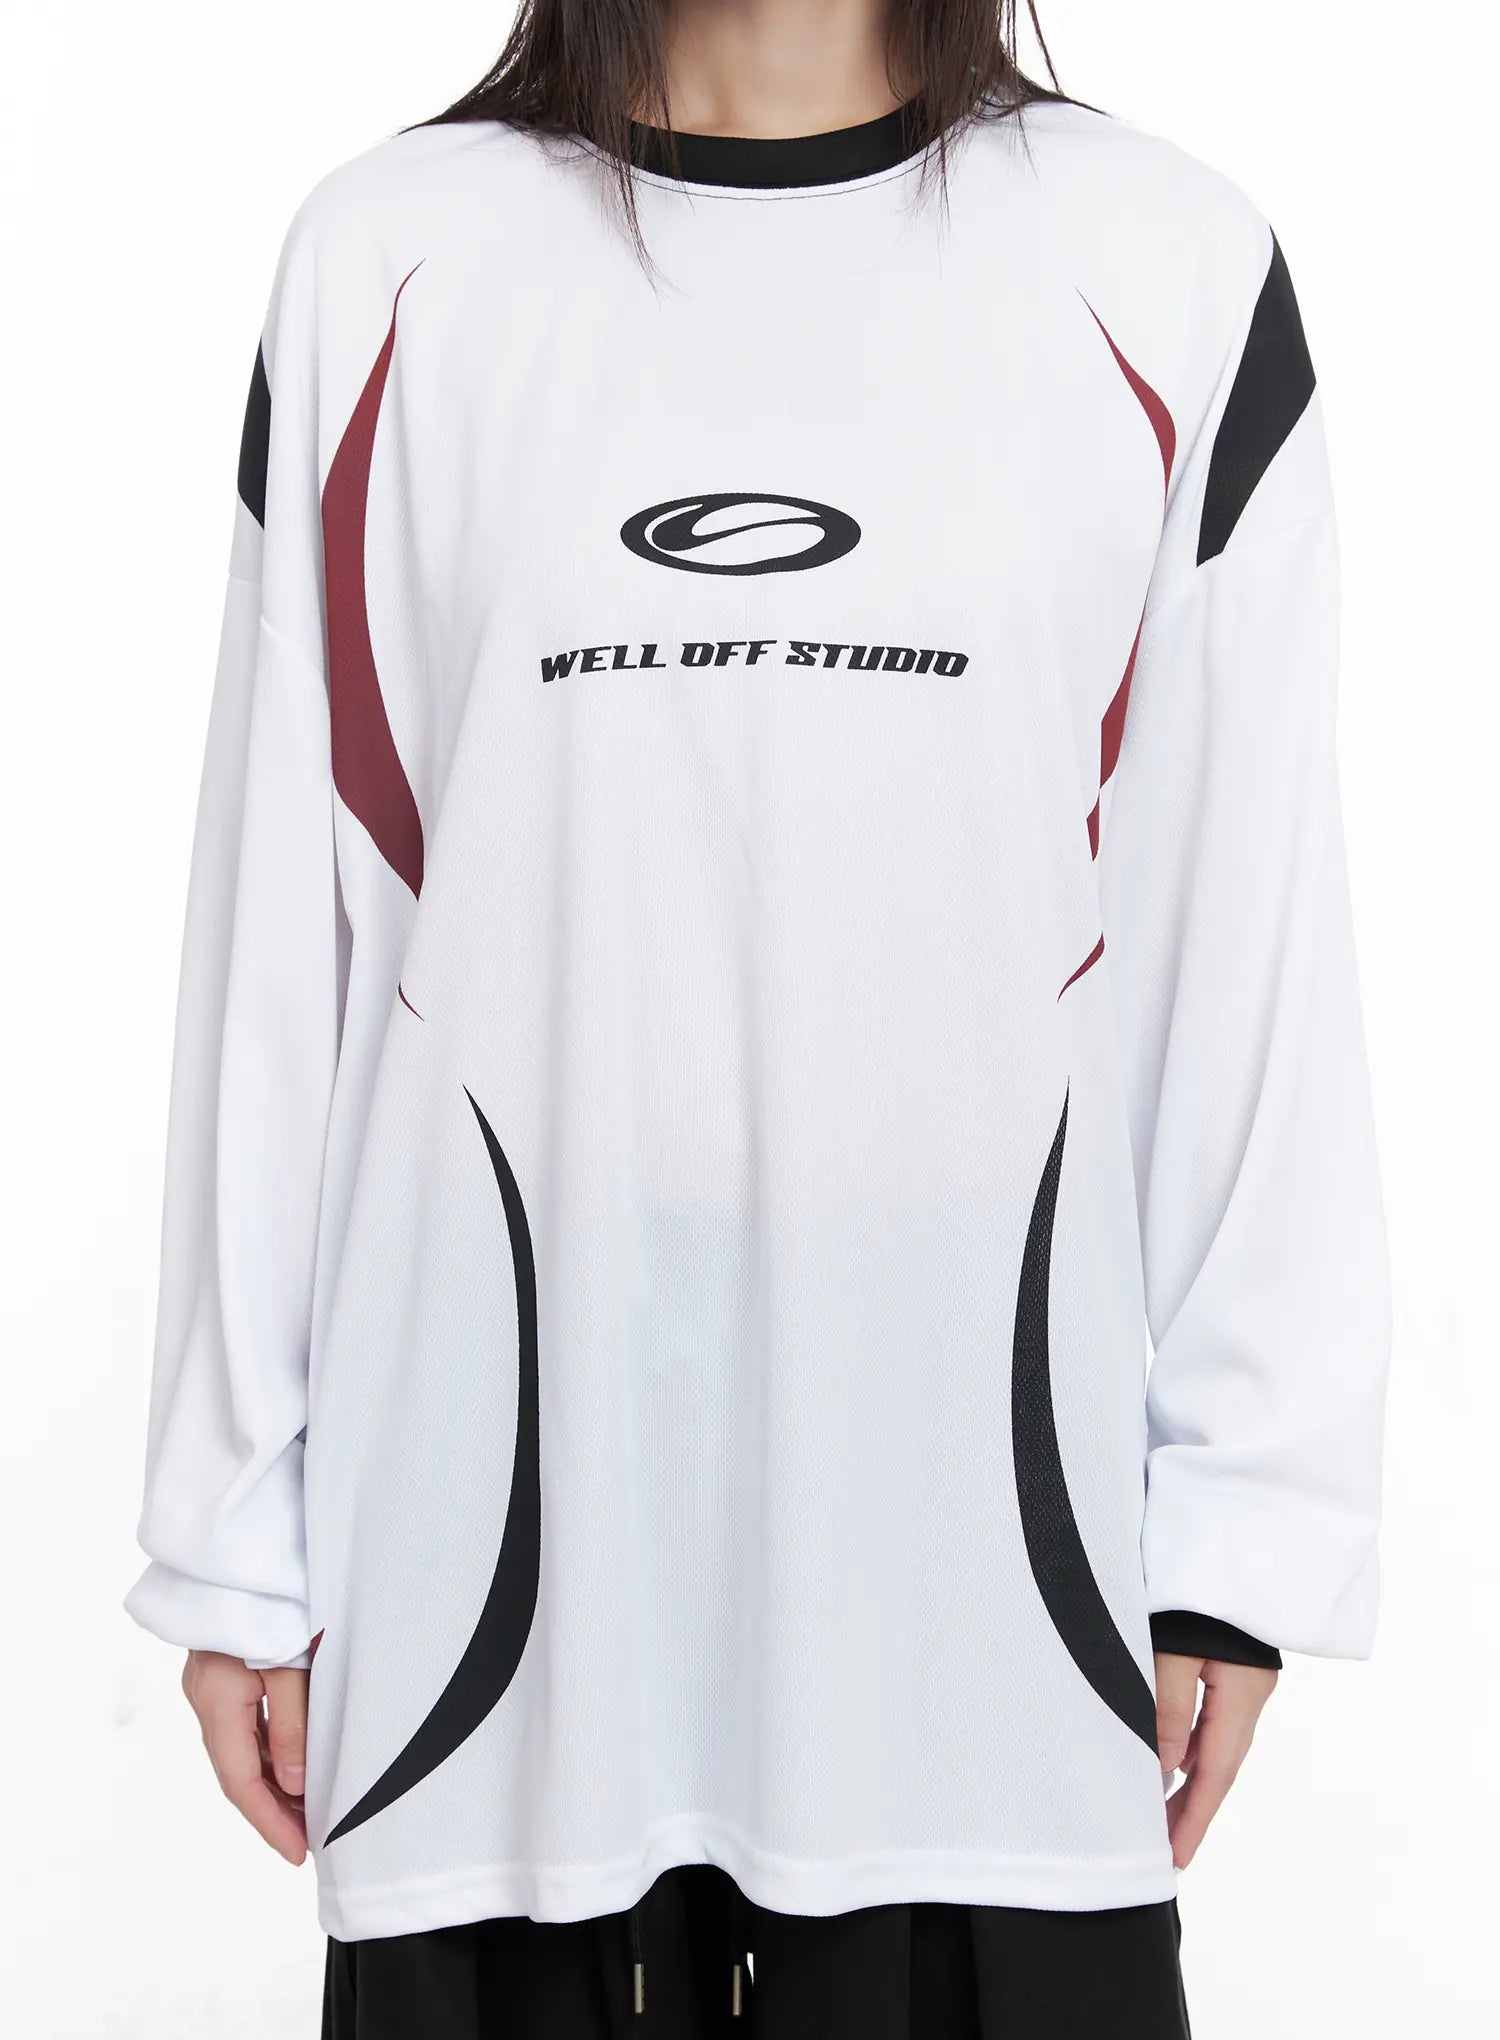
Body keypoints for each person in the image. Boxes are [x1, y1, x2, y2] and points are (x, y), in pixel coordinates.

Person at [125, 2, 1391, 2033]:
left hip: (987, 1602)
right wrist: (230, 1538)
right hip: (492, 1617)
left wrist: (1244, 1532)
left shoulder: (1165, 267)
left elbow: (1242, 933)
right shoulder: (391, 266)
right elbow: (284, 928)